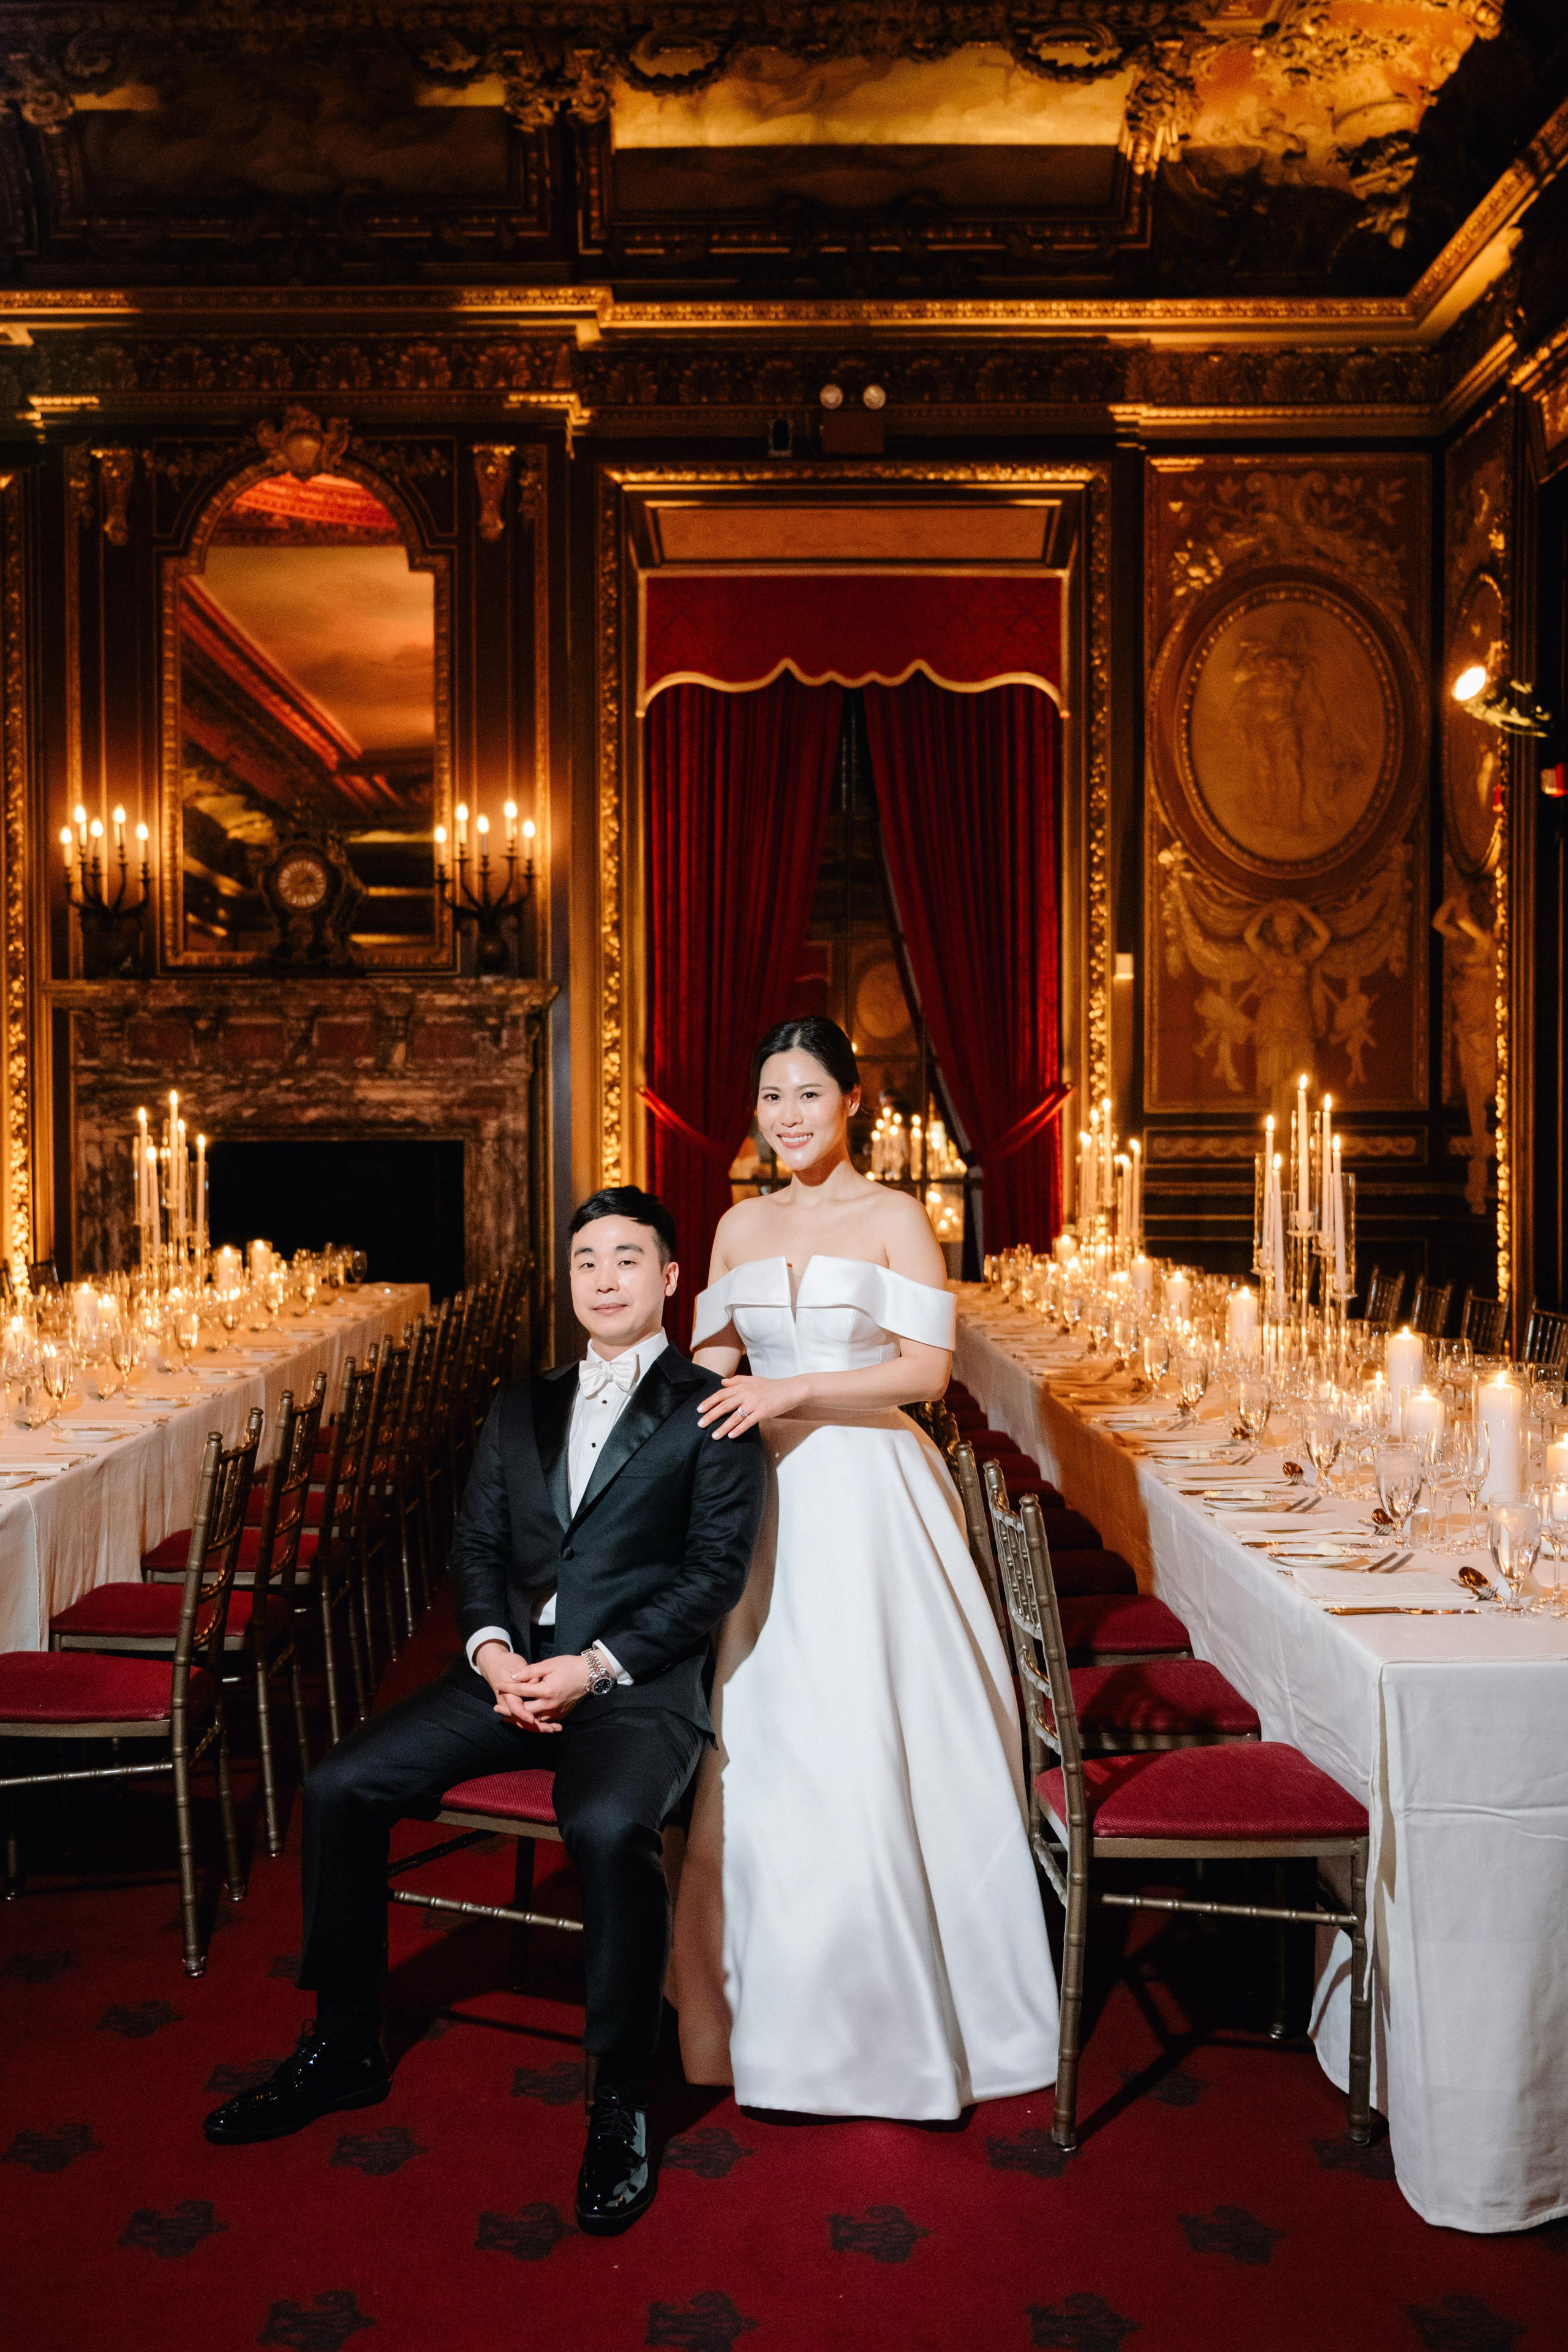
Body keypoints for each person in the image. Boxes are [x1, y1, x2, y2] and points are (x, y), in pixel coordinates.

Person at [203, 1188, 766, 2237]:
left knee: (608, 1826)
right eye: (586, 1260)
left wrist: (592, 1667)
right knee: (339, 1785)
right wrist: (494, 1652)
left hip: (634, 1688)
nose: (604, 1278)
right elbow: (474, 1548)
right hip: (507, 1674)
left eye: (627, 1259)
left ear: (670, 1277)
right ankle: (345, 2043)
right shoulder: (520, 1404)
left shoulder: (713, 1408)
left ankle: (620, 2096)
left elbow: (711, 1578)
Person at [670, 1016, 1058, 2119]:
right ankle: (757, 2012)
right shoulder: (737, 1226)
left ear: (851, 1101)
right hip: (765, 1499)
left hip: (875, 1493)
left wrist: (794, 1389)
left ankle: (906, 2015)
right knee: (768, 1735)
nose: (787, 1117)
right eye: (770, 1098)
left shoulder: (895, 1217)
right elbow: (712, 1361)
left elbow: (927, 1373)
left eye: (808, 1094)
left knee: (875, 1724)